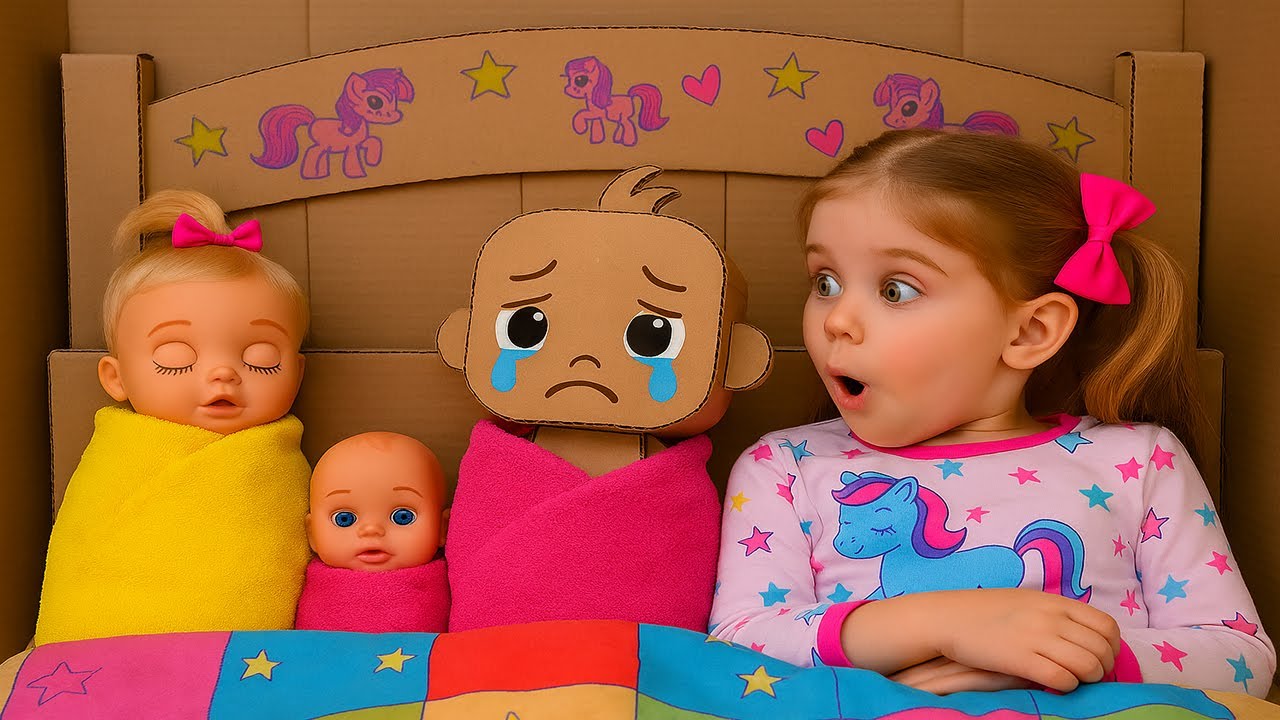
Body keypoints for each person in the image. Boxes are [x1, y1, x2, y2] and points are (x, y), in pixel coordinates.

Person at [710, 129, 1275, 698]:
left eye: (896, 290)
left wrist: (1061, 657)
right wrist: (946, 625)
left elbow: (1242, 658)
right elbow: (738, 644)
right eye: (825, 282)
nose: (836, 320)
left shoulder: (1139, 460)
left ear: (1030, 331)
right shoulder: (783, 467)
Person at [36, 190, 313, 644]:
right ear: (116, 376)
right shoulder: (117, 457)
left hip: (240, 664)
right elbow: (84, 557)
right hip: (95, 655)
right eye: (176, 356)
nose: (223, 373)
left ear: (298, 373)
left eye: (261, 357)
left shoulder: (279, 461)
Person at [296, 432, 450, 633]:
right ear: (313, 534)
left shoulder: (448, 588)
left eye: (402, 516)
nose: (371, 530)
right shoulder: (308, 587)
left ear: (442, 527)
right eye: (344, 519)